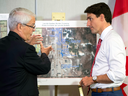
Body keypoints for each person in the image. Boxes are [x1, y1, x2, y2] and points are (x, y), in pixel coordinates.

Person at [0, 7, 52, 96]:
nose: (34, 29)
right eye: (32, 26)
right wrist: (44, 54)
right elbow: (44, 68)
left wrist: (26, 44)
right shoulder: (26, 49)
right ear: (20, 26)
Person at [79, 2, 126, 96]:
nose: (88, 24)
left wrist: (92, 79)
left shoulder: (112, 39)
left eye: (90, 19)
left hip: (108, 93)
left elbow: (118, 75)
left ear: (102, 17)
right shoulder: (104, 39)